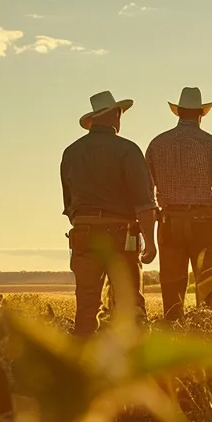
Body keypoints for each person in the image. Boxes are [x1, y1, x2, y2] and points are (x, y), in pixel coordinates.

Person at [60, 90, 157, 336]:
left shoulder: (71, 152)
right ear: (115, 115)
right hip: (120, 236)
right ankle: (133, 365)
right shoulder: (127, 150)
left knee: (86, 307)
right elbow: (144, 203)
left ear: (93, 120)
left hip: (83, 235)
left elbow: (70, 206)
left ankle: (82, 363)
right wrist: (151, 243)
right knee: (129, 305)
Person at [146, 87, 212, 321]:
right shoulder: (211, 144)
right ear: (201, 113)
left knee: (172, 289)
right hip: (203, 224)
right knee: (207, 289)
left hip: (168, 224)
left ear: (178, 112)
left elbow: (145, 194)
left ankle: (173, 340)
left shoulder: (157, 144)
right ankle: (206, 337)